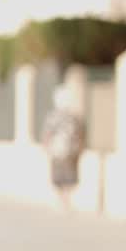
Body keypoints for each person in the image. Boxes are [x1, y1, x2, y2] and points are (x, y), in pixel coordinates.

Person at [41, 84, 86, 213]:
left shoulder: (54, 117)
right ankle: (66, 201)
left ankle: (63, 201)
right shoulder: (74, 116)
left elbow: (47, 133)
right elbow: (81, 133)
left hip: (59, 151)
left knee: (60, 175)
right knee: (69, 175)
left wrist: (46, 147)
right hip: (72, 150)